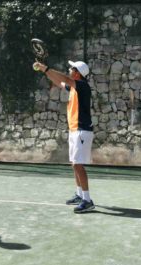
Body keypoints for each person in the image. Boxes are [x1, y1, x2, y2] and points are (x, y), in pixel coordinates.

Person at [33, 60, 94, 213]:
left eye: (71, 68)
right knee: (74, 163)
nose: (69, 69)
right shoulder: (74, 88)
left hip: (82, 130)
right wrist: (44, 71)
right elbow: (60, 82)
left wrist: (46, 68)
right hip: (74, 130)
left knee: (78, 165)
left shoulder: (82, 86)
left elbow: (65, 80)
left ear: (77, 72)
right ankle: (80, 195)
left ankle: (87, 200)